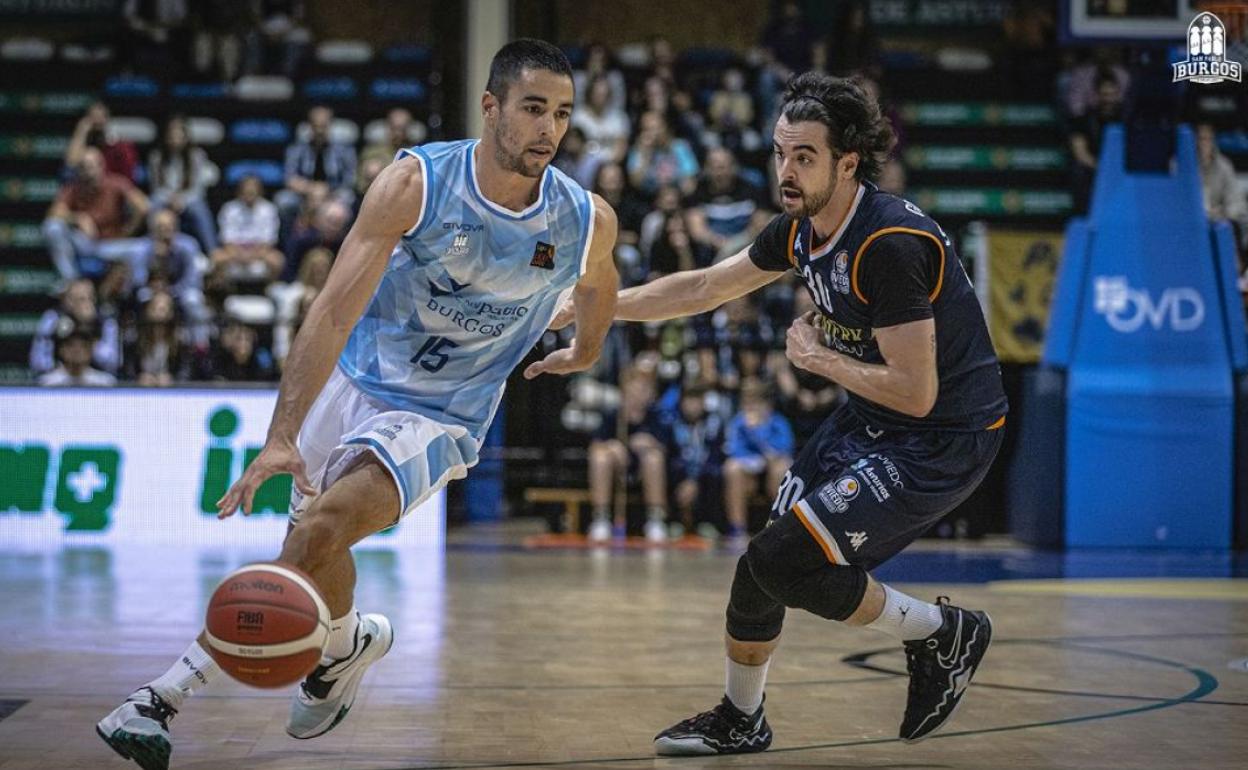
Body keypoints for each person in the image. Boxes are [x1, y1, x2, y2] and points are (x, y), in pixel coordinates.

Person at [96, 39, 619, 770]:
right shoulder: (417, 184)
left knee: (318, 529)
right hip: (355, 379)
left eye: (561, 114)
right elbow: (334, 310)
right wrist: (283, 434)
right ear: (491, 107)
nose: (549, 130)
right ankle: (346, 646)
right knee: (319, 541)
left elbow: (602, 280)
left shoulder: (582, 216)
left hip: (442, 413)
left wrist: (588, 347)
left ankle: (162, 698)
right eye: (533, 108)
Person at [553, 72, 1007, 754]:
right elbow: (706, 285)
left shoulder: (887, 248)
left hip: (943, 437)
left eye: (804, 157)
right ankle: (743, 718)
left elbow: (916, 392)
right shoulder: (799, 231)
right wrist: (604, 305)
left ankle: (943, 634)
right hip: (872, 420)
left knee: (785, 561)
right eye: (779, 153)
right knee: (760, 567)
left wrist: (819, 360)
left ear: (847, 163)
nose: (786, 171)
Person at [43, 147, 150, 281]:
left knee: (141, 249)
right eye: (83, 167)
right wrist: (78, 218)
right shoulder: (74, 187)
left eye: (91, 166)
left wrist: (129, 231)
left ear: (101, 166)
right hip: (85, 243)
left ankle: (136, 292)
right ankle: (70, 280)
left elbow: (143, 206)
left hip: (112, 244)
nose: (87, 171)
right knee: (52, 227)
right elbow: (54, 212)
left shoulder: (116, 183)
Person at [723, 380, 793, 540]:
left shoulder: (778, 422)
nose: (751, 407)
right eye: (747, 402)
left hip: (772, 474)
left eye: (756, 402)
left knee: (781, 467)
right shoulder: (738, 423)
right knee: (732, 468)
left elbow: (783, 450)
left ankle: (780, 528)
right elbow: (733, 450)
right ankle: (737, 527)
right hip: (749, 476)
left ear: (767, 404)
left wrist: (756, 433)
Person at [147, 115, 220, 253]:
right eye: (172, 135)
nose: (175, 139)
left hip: (189, 199)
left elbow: (198, 189)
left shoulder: (197, 156)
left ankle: (212, 251)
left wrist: (182, 200)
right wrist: (170, 198)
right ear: (166, 137)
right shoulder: (156, 157)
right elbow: (156, 188)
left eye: (179, 135)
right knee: (153, 203)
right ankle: (152, 247)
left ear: (186, 137)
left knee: (199, 208)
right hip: (165, 198)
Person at [39, 324, 117, 386]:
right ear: (61, 350)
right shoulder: (47, 383)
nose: (77, 350)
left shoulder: (105, 383)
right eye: (71, 345)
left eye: (83, 345)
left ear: (91, 351)